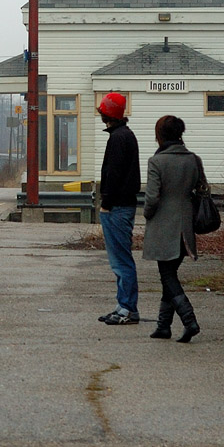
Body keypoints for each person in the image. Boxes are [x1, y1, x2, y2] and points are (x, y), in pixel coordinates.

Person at [142, 114, 201, 342]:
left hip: (163, 226)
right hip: (186, 226)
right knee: (169, 273)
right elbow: (202, 189)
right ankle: (163, 326)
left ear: (160, 135)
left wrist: (147, 215)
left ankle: (189, 320)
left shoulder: (156, 161)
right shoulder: (193, 159)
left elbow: (152, 198)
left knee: (167, 274)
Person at [97, 92, 140, 325]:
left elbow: (113, 174)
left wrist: (106, 203)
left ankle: (127, 308)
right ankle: (123, 304)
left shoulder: (117, 139)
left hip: (117, 207)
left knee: (120, 259)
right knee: (121, 259)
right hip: (125, 204)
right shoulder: (125, 136)